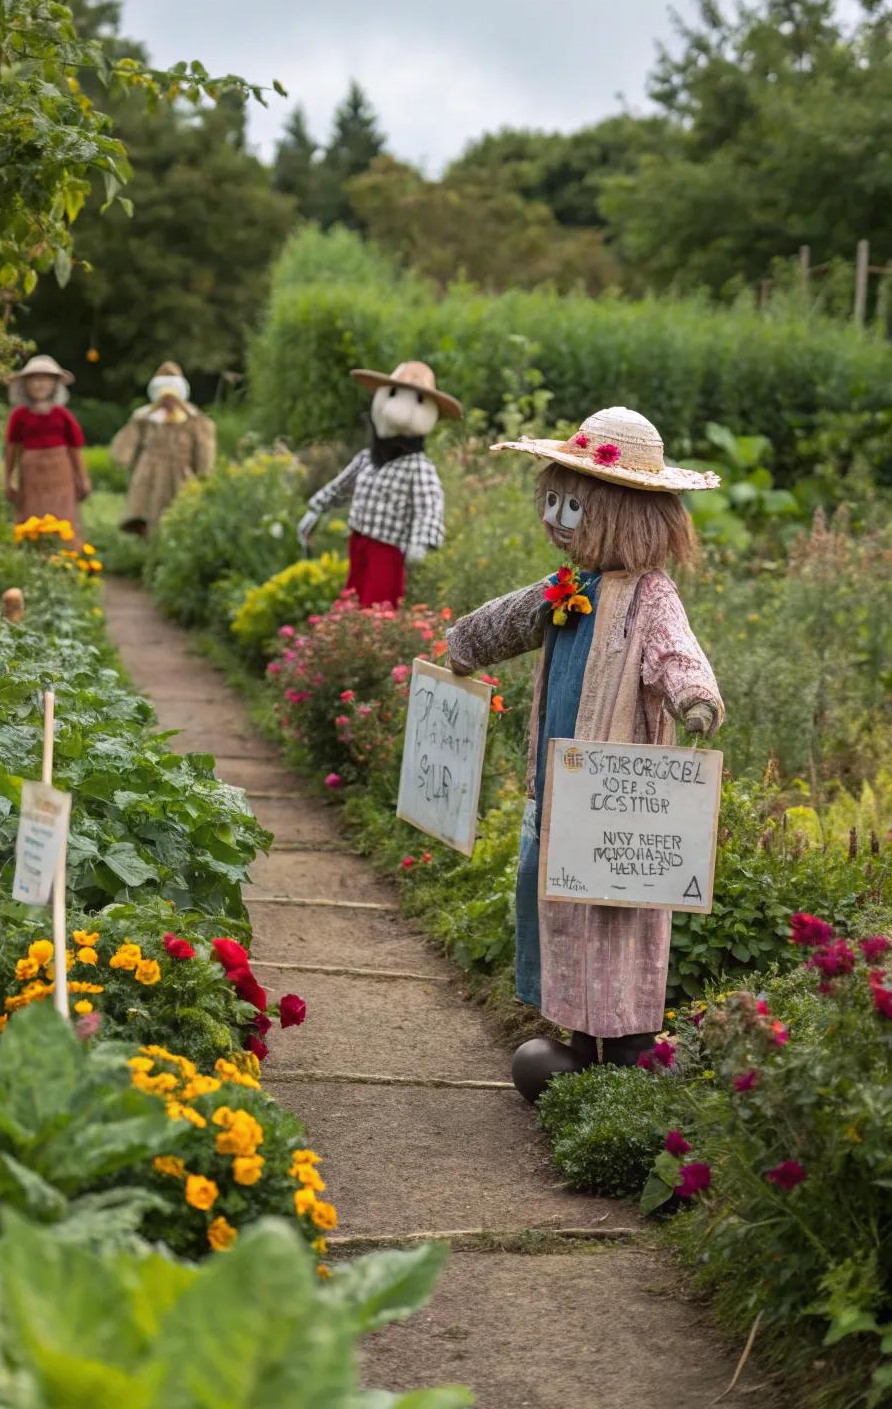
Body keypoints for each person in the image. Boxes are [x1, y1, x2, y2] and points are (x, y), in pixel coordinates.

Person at [444, 406, 724, 1098]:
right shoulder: (570, 588)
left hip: (622, 795)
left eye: (579, 506)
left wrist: (694, 698)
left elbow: (675, 654)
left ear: (629, 515)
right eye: (556, 501)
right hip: (560, 787)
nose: (561, 518)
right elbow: (510, 619)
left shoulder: (650, 596)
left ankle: (628, 1040)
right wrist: (464, 646)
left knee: (620, 911)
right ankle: (575, 1038)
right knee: (562, 906)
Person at [297, 361, 461, 608]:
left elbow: (430, 506)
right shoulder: (367, 458)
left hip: (388, 549)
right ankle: (347, 637)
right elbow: (342, 485)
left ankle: (370, 641)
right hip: (359, 540)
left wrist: (420, 541)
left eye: (418, 400)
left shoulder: (418, 467)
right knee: (352, 595)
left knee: (378, 603)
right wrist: (316, 508)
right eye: (393, 393)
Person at [110, 361, 216, 535]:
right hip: (149, 473)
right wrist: (122, 458)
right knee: (146, 513)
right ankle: (148, 548)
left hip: (181, 472)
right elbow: (126, 443)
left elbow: (204, 448)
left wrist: (203, 472)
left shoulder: (194, 419)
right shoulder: (145, 418)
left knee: (181, 512)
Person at [4, 355, 89, 544]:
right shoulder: (19, 415)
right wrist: (8, 480)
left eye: (46, 379)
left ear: (55, 384)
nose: (40, 384)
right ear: (25, 384)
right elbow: (12, 450)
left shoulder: (62, 415)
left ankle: (68, 559)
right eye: (34, 379)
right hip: (31, 474)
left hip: (61, 473)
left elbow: (75, 449)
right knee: (32, 514)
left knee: (64, 515)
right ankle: (35, 555)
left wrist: (83, 479)